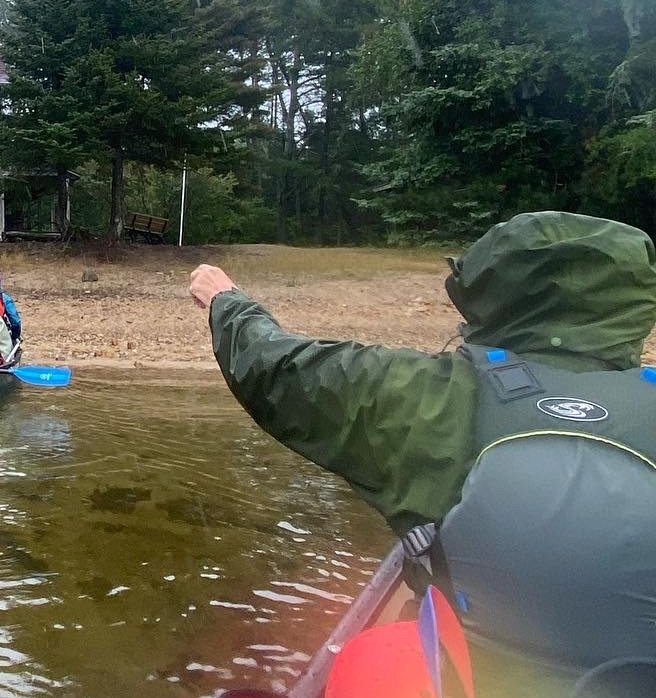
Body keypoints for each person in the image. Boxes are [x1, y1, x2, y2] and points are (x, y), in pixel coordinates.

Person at [188, 211, 656, 669]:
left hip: (470, 694)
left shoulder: (425, 394)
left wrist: (226, 300)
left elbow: (278, 368)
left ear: (490, 292)